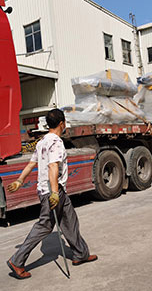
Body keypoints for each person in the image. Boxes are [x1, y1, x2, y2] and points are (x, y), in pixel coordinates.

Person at [7, 109, 97, 280]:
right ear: (62, 123)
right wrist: (54, 193)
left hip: (53, 190)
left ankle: (80, 254)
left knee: (70, 220)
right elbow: (53, 166)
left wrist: (19, 180)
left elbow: (31, 164)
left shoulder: (42, 141)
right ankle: (17, 260)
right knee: (45, 226)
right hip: (52, 190)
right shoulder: (56, 142)